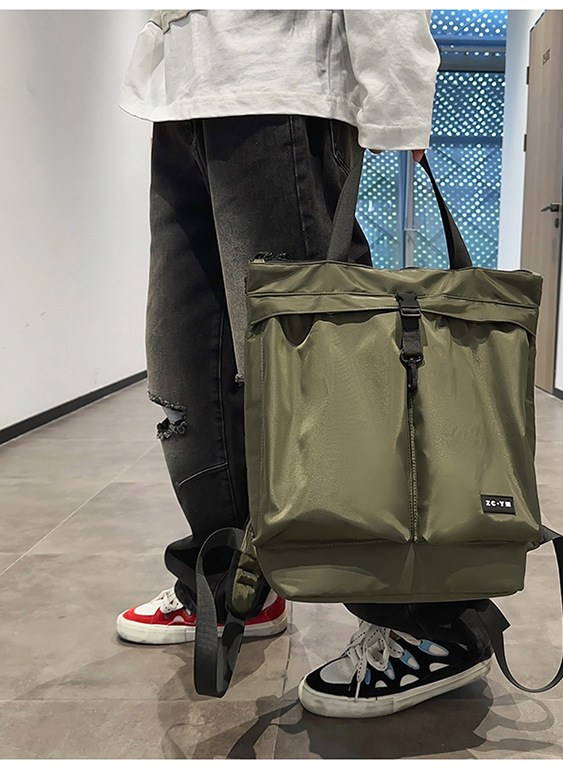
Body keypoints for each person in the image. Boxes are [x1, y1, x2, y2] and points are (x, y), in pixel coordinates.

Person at [115, 9, 491, 719]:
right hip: (181, 92)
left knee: (320, 378)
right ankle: (235, 580)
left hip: (280, 80)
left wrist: (399, 94)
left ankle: (432, 622)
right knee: (187, 370)